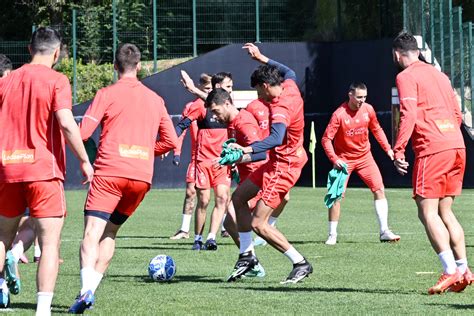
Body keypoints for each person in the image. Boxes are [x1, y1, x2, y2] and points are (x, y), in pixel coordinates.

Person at [68, 43, 177, 313]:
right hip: (141, 177)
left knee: (92, 233)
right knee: (111, 232)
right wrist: (143, 151)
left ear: (115, 67)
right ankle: (90, 291)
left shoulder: (106, 94)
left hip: (110, 172)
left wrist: (86, 159)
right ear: (139, 66)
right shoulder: (155, 99)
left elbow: (82, 134)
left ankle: (85, 290)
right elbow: (172, 141)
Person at [0, 27, 94, 314]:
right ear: (57, 52)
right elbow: (65, 122)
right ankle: (42, 310)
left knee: (2, 238)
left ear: (29, 50)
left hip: (7, 169)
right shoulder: (57, 80)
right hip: (43, 171)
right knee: (49, 243)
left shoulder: (6, 81)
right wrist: (84, 160)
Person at [392, 31, 472, 294]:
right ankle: (464, 270)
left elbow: (409, 113)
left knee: (426, 211)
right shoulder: (440, 74)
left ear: (397, 54)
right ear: (418, 51)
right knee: (445, 211)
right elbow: (457, 113)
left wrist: (399, 148)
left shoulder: (405, 76)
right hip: (456, 144)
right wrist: (450, 134)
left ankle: (450, 270)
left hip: (433, 148)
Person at [225, 43, 312, 284]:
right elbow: (289, 72)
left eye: (258, 92)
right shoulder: (290, 87)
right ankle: (246, 256)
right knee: (239, 198)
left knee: (258, 224)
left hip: (283, 166)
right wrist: (262, 58)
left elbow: (275, 139)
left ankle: (300, 262)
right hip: (278, 161)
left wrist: (246, 149)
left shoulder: (280, 107)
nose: (258, 98)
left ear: (265, 87)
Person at [321, 82, 401, 245]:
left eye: (364, 97)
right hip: (343, 160)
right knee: (335, 196)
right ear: (350, 95)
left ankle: (384, 231)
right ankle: (332, 235)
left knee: (379, 189)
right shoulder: (339, 114)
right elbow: (326, 139)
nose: (362, 100)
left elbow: (377, 129)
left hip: (365, 158)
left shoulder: (368, 109)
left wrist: (388, 149)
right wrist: (335, 159)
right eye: (359, 97)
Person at [176, 72, 232, 251]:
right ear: (217, 87)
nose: (230, 90)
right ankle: (197, 238)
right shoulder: (201, 107)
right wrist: (169, 143)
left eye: (230, 87)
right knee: (204, 200)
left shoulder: (229, 107)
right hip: (203, 162)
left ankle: (211, 237)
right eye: (227, 87)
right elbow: (182, 125)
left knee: (222, 197)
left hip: (222, 162)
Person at [169, 73, 212, 240]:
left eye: (211, 88)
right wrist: (176, 151)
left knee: (222, 194)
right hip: (197, 157)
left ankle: (223, 227)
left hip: (215, 156)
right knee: (190, 192)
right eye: (206, 88)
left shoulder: (218, 106)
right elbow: (181, 130)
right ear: (198, 88)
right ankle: (184, 229)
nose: (209, 91)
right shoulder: (192, 107)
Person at [245, 97, 289, 246]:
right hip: (259, 157)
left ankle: (269, 225)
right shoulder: (252, 107)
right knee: (250, 199)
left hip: (276, 159)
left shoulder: (281, 105)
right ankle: (231, 221)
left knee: (285, 197)